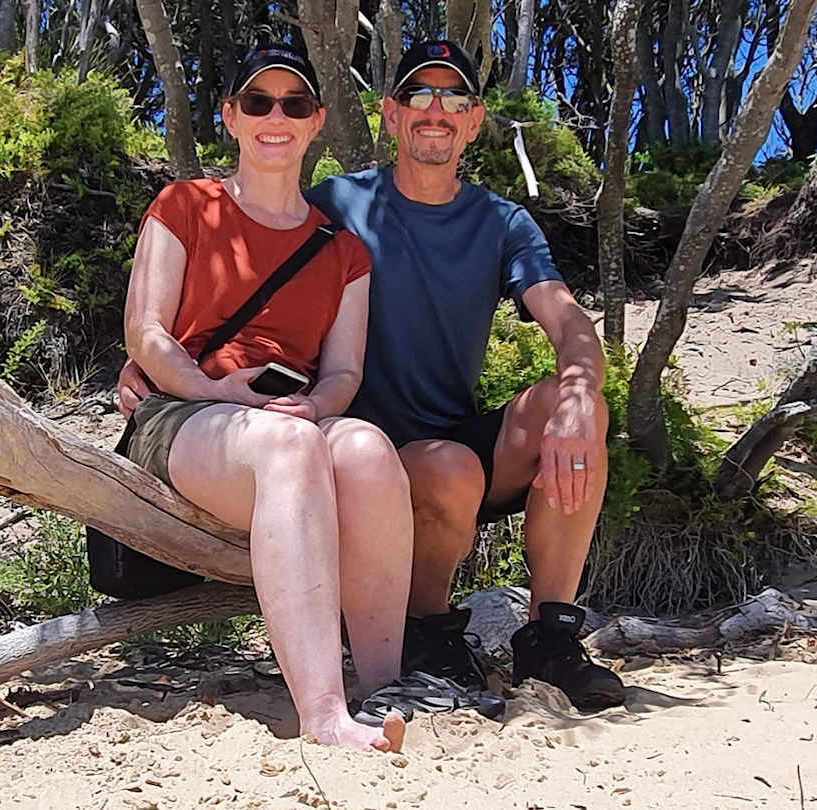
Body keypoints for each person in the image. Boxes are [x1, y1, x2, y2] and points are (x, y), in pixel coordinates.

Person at [120, 40, 627, 713]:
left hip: (432, 436)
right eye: (419, 95)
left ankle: (551, 635)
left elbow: (567, 322)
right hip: (367, 445)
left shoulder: (498, 222)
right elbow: (244, 261)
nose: (435, 110)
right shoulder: (335, 207)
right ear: (390, 114)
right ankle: (426, 631)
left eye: (453, 98)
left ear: (474, 119)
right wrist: (154, 357)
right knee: (445, 468)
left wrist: (581, 395)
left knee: (573, 412)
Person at [121, 44, 414, 752]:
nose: (274, 117)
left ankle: (384, 685)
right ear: (231, 117)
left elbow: (343, 373)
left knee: (368, 449)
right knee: (288, 447)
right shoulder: (184, 205)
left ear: (315, 122)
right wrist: (211, 388)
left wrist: (315, 406)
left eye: (293, 104)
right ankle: (323, 715)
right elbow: (147, 331)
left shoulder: (344, 252)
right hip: (183, 416)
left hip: (290, 420)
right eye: (258, 102)